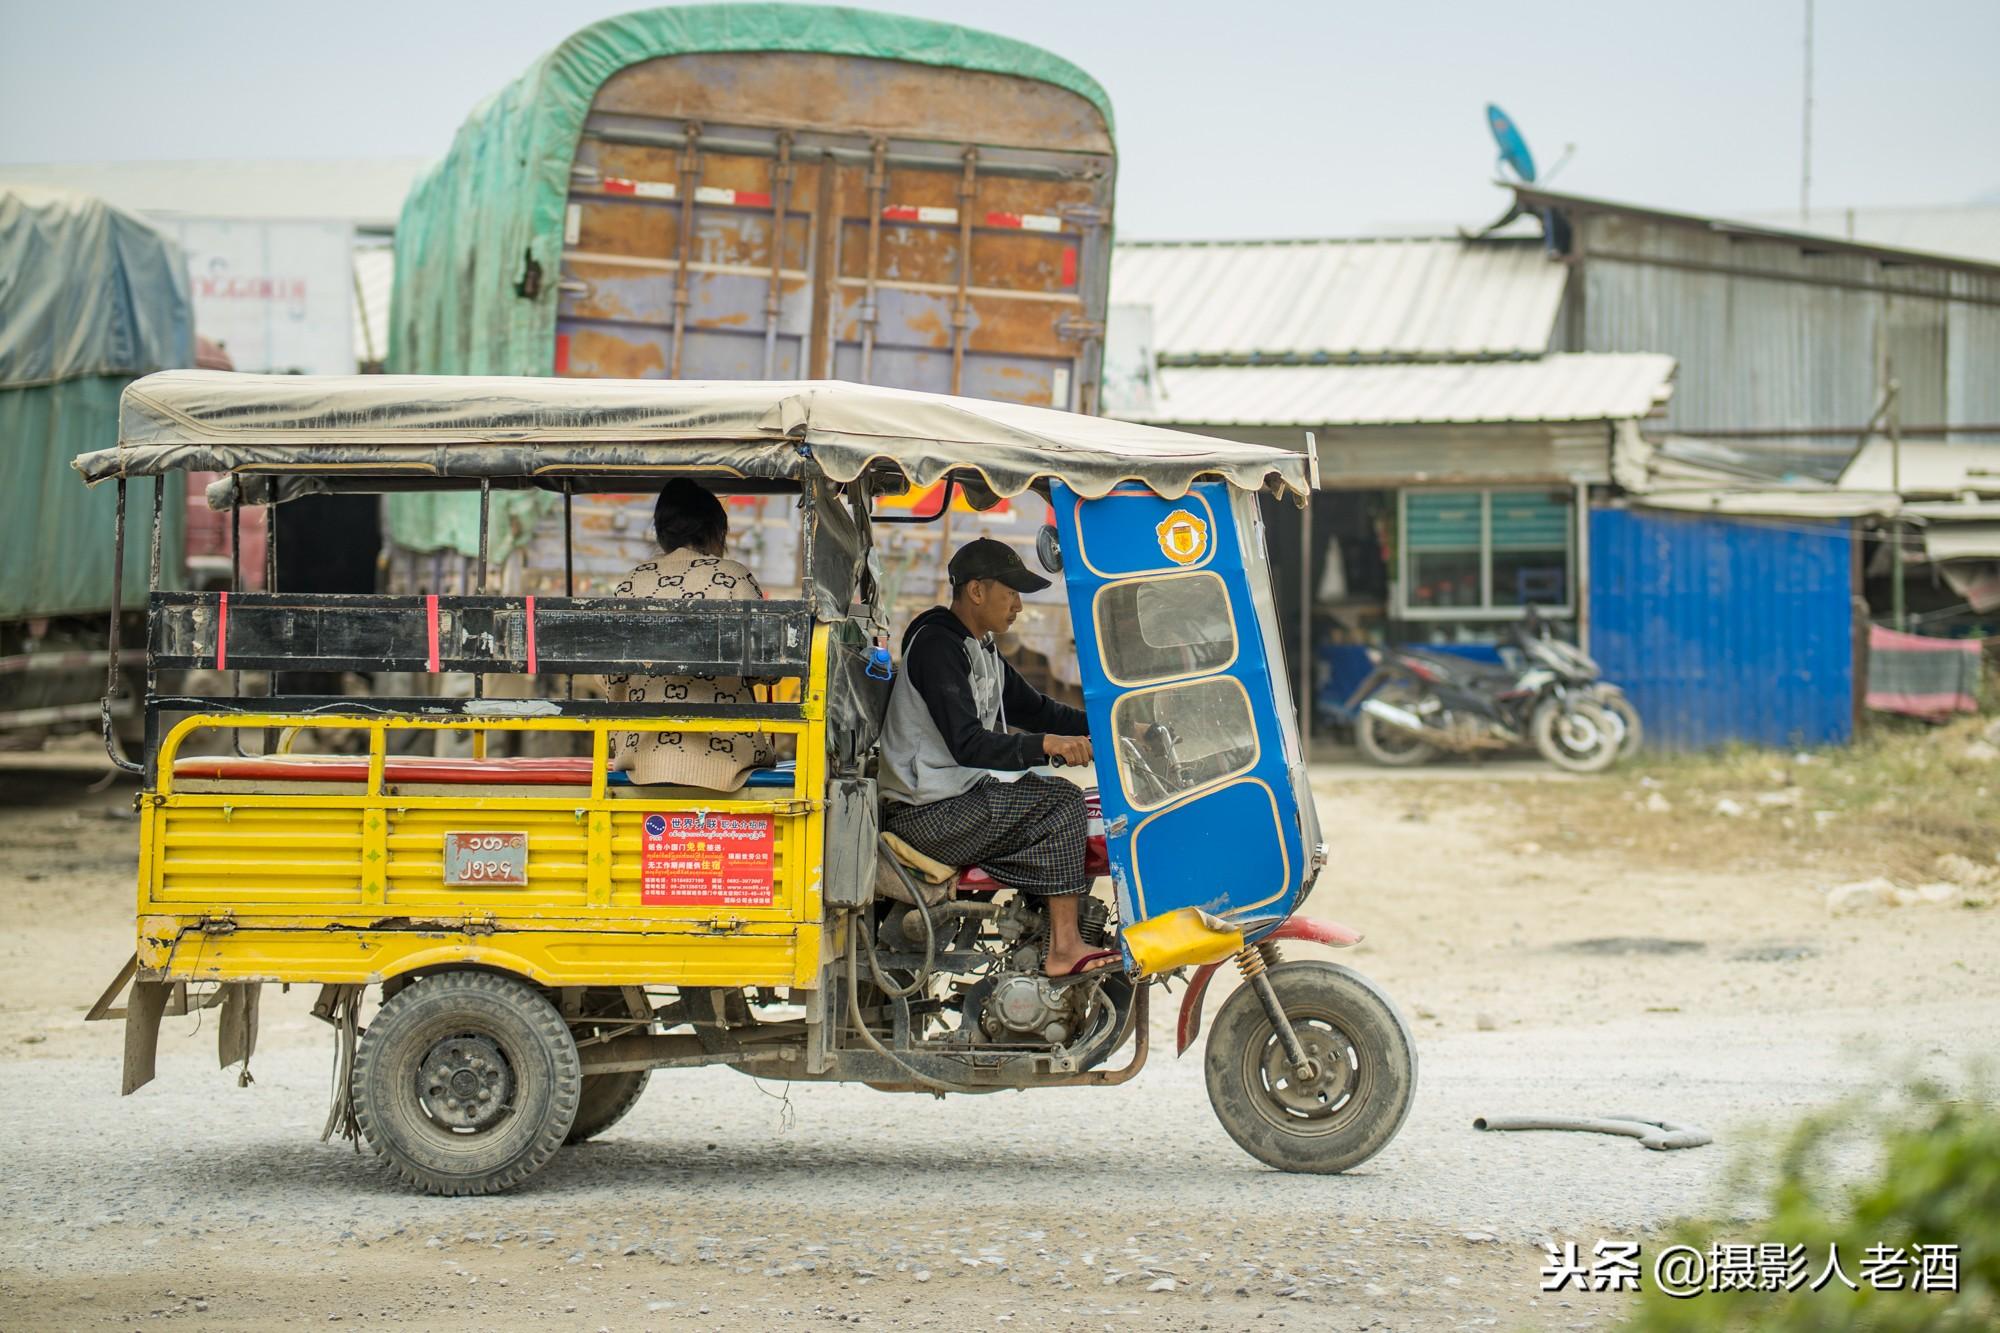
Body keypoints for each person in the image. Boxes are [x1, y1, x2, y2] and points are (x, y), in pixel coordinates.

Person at [878, 538, 1115, 981]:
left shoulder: (979, 647)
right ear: (976, 591)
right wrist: (1045, 745)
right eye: (1011, 594)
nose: (1018, 607)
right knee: (1061, 802)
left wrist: (1109, 727)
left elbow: (1036, 709)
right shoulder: (937, 647)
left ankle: (1048, 930)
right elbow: (969, 744)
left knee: (1076, 803)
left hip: (958, 797)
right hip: (925, 814)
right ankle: (1063, 948)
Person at [602, 480, 774, 791]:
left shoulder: (632, 582)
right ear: (715, 530)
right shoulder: (734, 577)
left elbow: (614, 678)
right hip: (728, 757)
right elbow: (767, 668)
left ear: (661, 533)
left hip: (641, 755)